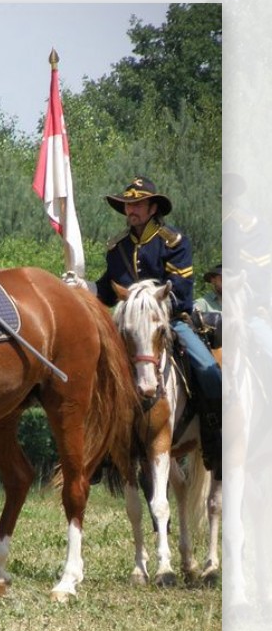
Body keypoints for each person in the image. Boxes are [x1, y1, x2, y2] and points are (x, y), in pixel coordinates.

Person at [73, 176, 223, 477]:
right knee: (89, 374)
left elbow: (181, 293)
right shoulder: (117, 247)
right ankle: (101, 447)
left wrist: (149, 308)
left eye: (139, 204)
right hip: (127, 328)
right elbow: (105, 290)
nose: (132, 210)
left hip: (167, 322)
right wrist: (80, 286)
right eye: (128, 204)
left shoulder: (173, 242)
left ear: (153, 207)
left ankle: (215, 443)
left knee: (210, 374)